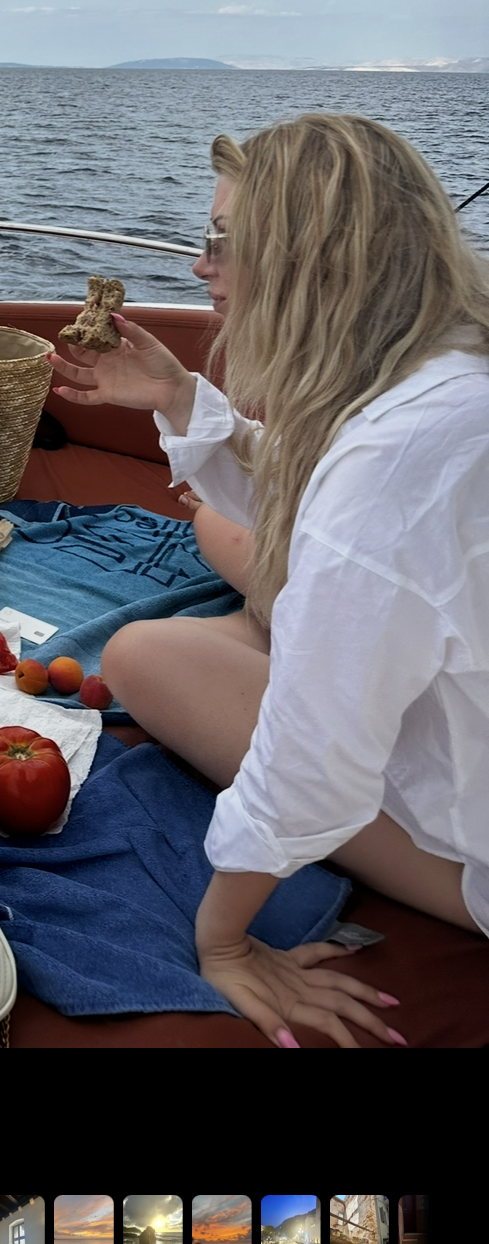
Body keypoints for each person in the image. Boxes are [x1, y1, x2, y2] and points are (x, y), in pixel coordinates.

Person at [50, 112, 489, 1047]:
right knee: (210, 586)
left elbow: (310, 761)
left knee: (139, 655)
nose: (200, 264)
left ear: (308, 261)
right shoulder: (449, 375)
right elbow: (313, 481)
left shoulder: (398, 461)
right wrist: (176, 397)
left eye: (219, 240)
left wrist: (224, 944)